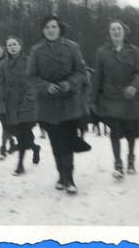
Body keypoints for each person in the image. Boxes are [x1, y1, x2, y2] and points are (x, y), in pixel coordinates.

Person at [27, 16, 91, 195]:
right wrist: (46, 86)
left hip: (69, 102)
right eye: (47, 27)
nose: (50, 30)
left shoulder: (72, 47)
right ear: (43, 30)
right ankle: (61, 175)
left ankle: (70, 178)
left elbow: (81, 72)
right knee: (55, 142)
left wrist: (69, 83)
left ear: (59, 28)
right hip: (47, 104)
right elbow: (31, 76)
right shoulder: (36, 50)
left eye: (53, 26)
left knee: (68, 141)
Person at [92, 20, 139, 180]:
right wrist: (93, 100)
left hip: (130, 97)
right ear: (109, 33)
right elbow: (97, 77)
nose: (116, 32)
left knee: (131, 131)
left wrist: (134, 87)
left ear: (124, 31)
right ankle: (118, 164)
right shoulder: (102, 52)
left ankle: (130, 158)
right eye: (113, 29)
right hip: (110, 98)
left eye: (119, 29)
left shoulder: (134, 51)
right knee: (114, 130)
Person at [0, 36, 40, 176]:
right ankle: (35, 148)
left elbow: (36, 79)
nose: (12, 47)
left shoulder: (29, 61)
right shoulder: (3, 65)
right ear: (7, 48)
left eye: (14, 44)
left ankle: (20, 165)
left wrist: (31, 95)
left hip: (26, 101)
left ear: (20, 46)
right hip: (11, 102)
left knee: (23, 131)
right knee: (22, 132)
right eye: (9, 45)